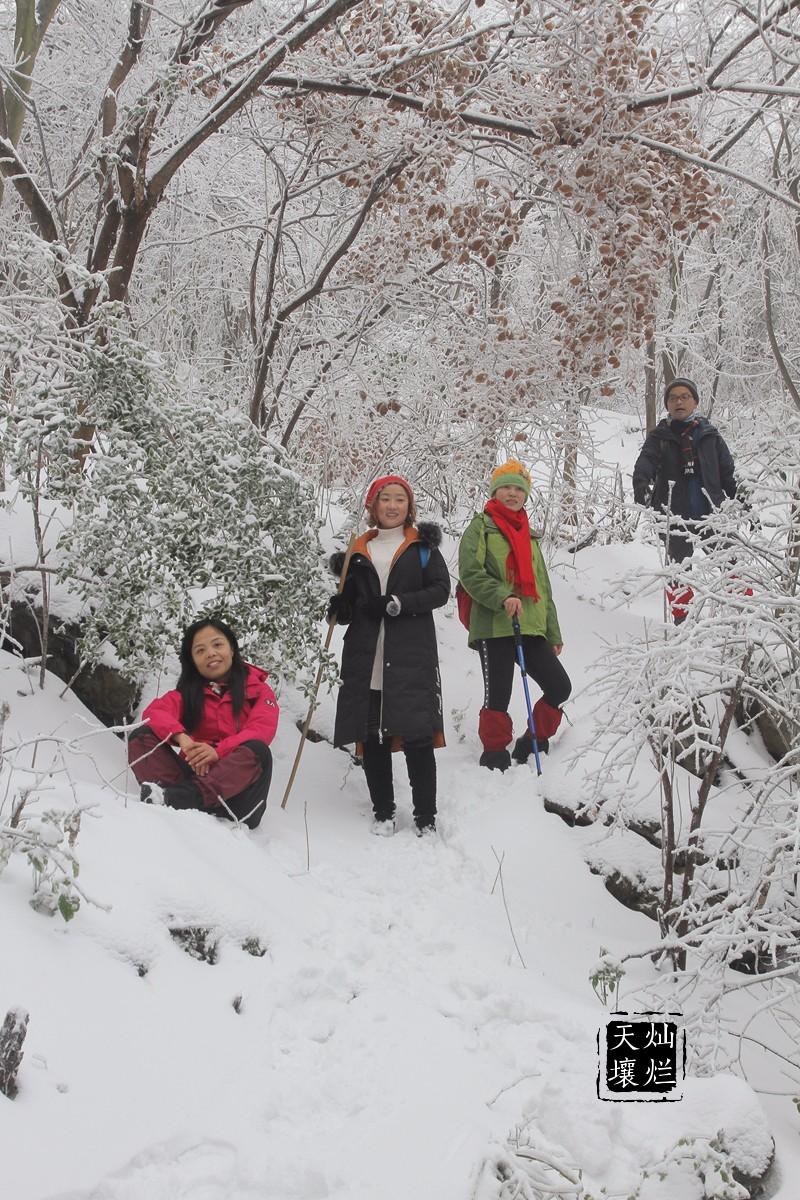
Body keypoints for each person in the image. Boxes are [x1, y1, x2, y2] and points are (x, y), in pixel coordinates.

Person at [328, 475, 450, 836]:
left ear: (409, 507)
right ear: (373, 505)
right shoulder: (358, 548)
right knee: (372, 737)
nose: (393, 505)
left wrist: (400, 603)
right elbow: (350, 604)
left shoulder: (422, 547)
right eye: (385, 499)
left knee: (417, 736)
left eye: (400, 499)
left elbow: (441, 590)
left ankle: (425, 817)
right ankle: (383, 811)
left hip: (411, 654)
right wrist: (340, 607)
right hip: (366, 655)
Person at [458, 460, 571, 771]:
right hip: (494, 625)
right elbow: (469, 573)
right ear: (495, 491)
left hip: (531, 626)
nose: (512, 493)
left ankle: (533, 739)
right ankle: (494, 752)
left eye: (518, 489)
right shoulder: (480, 527)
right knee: (498, 695)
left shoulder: (530, 537)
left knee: (560, 686)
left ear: (526, 495)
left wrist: (553, 632)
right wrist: (502, 596)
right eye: (506, 487)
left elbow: (543, 589)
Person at [128, 617, 277, 829]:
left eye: (217, 644)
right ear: (193, 661)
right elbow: (155, 713)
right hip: (190, 778)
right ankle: (176, 797)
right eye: (200, 650)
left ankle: (179, 799)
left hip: (238, 801)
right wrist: (183, 739)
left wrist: (217, 751)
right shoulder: (188, 694)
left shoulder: (259, 691)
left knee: (258, 750)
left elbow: (261, 730)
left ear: (232, 649)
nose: (210, 653)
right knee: (141, 736)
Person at [632, 377, 737, 620]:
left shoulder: (710, 435)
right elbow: (644, 464)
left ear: (695, 402)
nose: (679, 401)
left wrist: (739, 501)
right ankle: (683, 622)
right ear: (667, 405)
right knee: (678, 572)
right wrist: (642, 486)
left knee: (731, 563)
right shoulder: (659, 437)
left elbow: (727, 472)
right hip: (674, 518)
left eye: (684, 397)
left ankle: (741, 617)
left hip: (711, 515)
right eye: (673, 398)